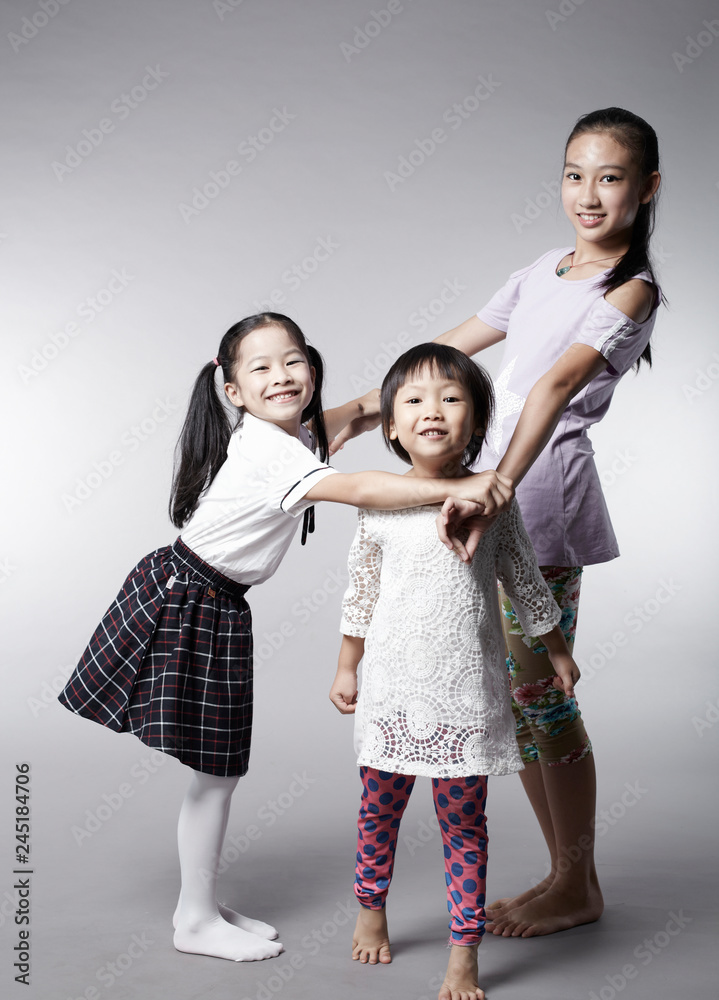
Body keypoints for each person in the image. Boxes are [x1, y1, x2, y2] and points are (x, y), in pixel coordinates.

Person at [58, 313, 511, 965]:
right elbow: (358, 488)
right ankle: (194, 919)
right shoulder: (274, 451)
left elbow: (368, 406)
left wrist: (468, 341)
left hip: (207, 601)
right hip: (187, 602)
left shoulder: (291, 433)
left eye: (294, 360)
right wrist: (463, 483)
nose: (282, 376)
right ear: (232, 390)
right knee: (216, 773)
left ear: (312, 367)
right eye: (262, 367)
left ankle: (199, 905)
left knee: (217, 773)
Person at [330, 107, 664, 939]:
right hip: (480, 495)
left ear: (647, 187)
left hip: (538, 501)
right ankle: (563, 876)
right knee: (516, 701)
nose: (588, 194)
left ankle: (574, 883)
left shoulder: (631, 289)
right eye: (574, 174)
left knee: (542, 699)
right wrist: (358, 411)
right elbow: (448, 353)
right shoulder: (542, 268)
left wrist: (496, 487)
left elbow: (553, 386)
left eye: (610, 177)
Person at [329, 343, 581, 1000]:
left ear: (476, 421)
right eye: (413, 400)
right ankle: (370, 907)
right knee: (377, 813)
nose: (432, 410)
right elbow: (361, 591)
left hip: (466, 695)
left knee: (465, 827)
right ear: (391, 426)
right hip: (391, 692)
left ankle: (463, 951)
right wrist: (347, 666)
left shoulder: (492, 499)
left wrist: (556, 650)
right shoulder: (379, 502)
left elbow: (525, 580)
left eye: (450, 398)